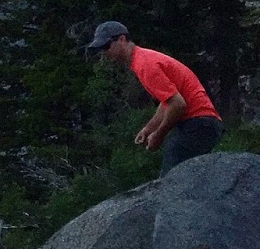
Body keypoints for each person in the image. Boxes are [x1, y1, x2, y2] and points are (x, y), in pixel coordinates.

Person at [87, 20, 224, 175]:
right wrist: (149, 128)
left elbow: (178, 105)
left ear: (122, 39)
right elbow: (168, 101)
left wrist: (159, 135)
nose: (104, 53)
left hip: (199, 124)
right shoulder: (143, 59)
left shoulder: (145, 64)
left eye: (106, 46)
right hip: (202, 124)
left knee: (171, 177)